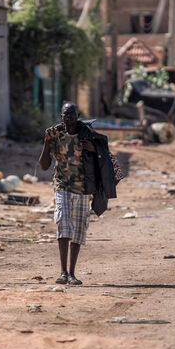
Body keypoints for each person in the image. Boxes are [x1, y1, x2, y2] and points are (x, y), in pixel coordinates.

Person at [39, 102, 119, 285]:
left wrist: (94, 149)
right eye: (66, 115)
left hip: (83, 188)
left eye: (72, 114)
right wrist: (46, 141)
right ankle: (63, 272)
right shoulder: (56, 135)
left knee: (78, 231)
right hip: (62, 186)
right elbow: (44, 166)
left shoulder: (88, 135)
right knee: (63, 224)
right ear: (61, 116)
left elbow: (105, 154)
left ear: (78, 116)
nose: (69, 118)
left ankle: (72, 273)